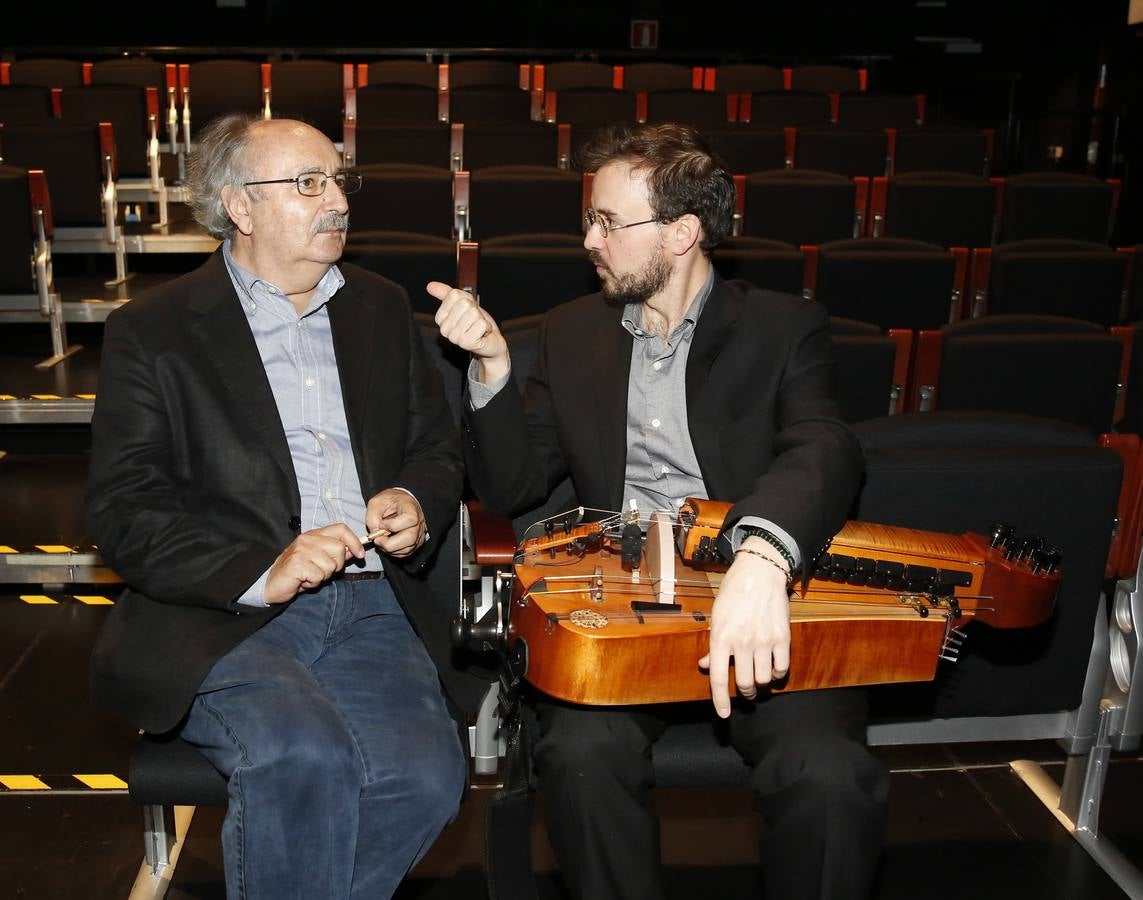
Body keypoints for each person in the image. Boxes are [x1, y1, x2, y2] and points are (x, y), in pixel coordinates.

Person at [431, 122, 889, 900]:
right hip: (624, 616)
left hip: (754, 598)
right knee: (578, 757)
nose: (589, 240)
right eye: (590, 220)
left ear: (680, 232)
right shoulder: (571, 332)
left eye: (608, 222)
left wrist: (761, 555)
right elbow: (510, 486)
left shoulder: (781, 327)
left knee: (829, 774)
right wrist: (493, 370)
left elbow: (825, 447)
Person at [87, 114, 467, 900]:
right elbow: (123, 509)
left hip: (371, 601)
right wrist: (264, 567)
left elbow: (436, 449)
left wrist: (413, 500)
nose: (335, 200)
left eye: (337, 180)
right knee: (303, 755)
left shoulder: (379, 306)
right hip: (224, 613)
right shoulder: (153, 331)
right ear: (240, 207)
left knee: (423, 775)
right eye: (307, 183)